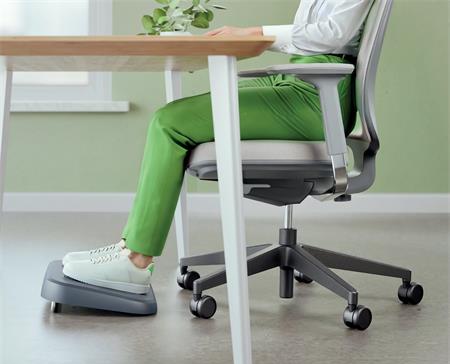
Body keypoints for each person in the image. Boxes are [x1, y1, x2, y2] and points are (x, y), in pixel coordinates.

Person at [62, 0, 375, 294]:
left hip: (315, 97)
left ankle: (136, 261)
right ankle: (127, 246)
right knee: (182, 113)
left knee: (169, 122)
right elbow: (311, 34)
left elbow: (332, 35)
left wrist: (256, 33)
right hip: (297, 78)